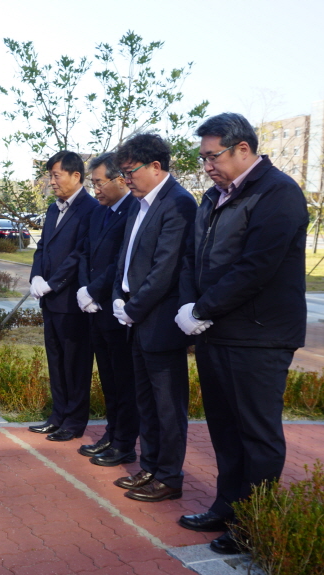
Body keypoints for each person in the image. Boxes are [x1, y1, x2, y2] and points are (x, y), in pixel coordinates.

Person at [175, 113, 308, 554]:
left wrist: (203, 308)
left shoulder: (279, 193)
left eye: (213, 156)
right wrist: (192, 307)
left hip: (260, 335)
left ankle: (256, 524)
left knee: (256, 433)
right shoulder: (213, 197)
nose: (207, 165)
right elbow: (197, 259)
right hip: (217, 332)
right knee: (225, 430)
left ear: (243, 150)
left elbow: (257, 268)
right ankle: (227, 507)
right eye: (203, 158)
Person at [111, 133, 197, 502]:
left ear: (156, 166)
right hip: (135, 317)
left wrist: (133, 308)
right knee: (145, 400)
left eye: (130, 172)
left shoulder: (179, 203)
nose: (126, 179)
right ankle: (150, 466)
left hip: (159, 321)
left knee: (167, 405)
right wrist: (118, 294)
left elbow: (165, 269)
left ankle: (169, 476)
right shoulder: (137, 204)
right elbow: (125, 259)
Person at [28, 151, 98, 442]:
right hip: (50, 299)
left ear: (75, 176)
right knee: (55, 360)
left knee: (75, 363)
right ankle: (58, 415)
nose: (52, 182)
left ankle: (75, 420)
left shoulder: (90, 209)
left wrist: (54, 283)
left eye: (56, 175)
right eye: (50, 176)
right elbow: (43, 246)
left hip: (73, 300)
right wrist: (36, 276)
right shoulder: (53, 209)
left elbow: (80, 254)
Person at [76, 153, 139, 466]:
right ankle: (111, 434)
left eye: (100, 182)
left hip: (116, 308)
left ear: (119, 180)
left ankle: (124, 441)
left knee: (123, 379)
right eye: (93, 183)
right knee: (108, 379)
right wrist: (85, 289)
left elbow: (120, 262)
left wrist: (95, 290)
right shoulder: (100, 212)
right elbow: (87, 252)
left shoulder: (133, 210)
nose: (96, 189)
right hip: (95, 309)